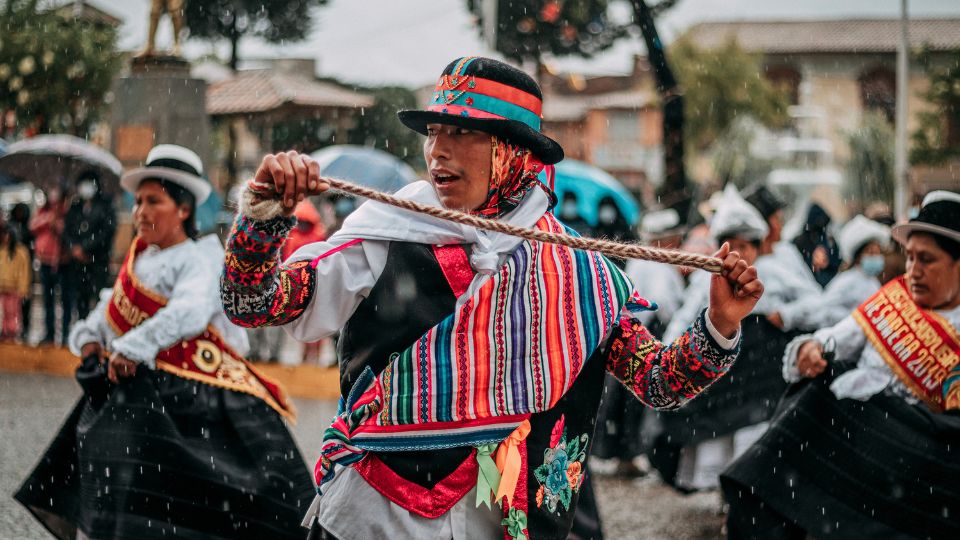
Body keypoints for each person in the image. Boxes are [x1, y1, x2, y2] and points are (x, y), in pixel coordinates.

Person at [220, 57, 763, 540]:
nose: (438, 149)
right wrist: (264, 217)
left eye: (462, 132)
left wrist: (719, 323)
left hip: (505, 521)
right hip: (376, 515)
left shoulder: (578, 272)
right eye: (434, 130)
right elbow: (253, 303)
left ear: (515, 153)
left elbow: (660, 382)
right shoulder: (387, 233)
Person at [15, 145, 314, 540]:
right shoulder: (140, 259)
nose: (141, 211)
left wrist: (133, 346)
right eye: (137, 201)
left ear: (183, 210)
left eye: (154, 201)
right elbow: (109, 308)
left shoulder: (201, 257)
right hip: (143, 391)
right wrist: (89, 339)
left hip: (197, 395)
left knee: (234, 495)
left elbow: (189, 312)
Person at [721, 190, 960, 540]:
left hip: (913, 472)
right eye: (909, 258)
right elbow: (834, 338)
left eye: (927, 260)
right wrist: (811, 350)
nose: (913, 271)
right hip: (855, 451)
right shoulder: (893, 299)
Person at [657, 185, 778, 491]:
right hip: (723, 381)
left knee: (755, 443)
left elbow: (815, 304)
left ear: (757, 248)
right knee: (719, 441)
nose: (740, 254)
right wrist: (662, 357)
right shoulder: (707, 283)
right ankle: (726, 499)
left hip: (760, 380)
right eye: (731, 246)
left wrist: (786, 315)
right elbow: (684, 319)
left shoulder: (776, 275)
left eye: (746, 246)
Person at [769, 215, 890, 332]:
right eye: (871, 252)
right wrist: (855, 318)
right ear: (858, 256)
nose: (876, 256)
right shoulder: (847, 280)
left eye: (878, 252)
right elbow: (826, 307)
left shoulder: (873, 282)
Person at [63, 170, 117, 323]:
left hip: (97, 262)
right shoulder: (75, 207)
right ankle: (83, 332)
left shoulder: (105, 206)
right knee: (81, 302)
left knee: (101, 300)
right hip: (78, 265)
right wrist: (74, 248)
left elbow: (107, 232)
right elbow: (67, 232)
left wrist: (86, 248)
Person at [30, 188, 68, 345]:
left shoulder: (66, 214)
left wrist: (57, 224)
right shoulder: (43, 212)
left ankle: (65, 334)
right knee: (48, 299)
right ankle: (49, 332)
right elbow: (32, 226)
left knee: (64, 299)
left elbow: (66, 233)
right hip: (45, 261)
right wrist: (48, 219)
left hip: (61, 262)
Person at [793, 203, 842, 287]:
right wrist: (812, 264)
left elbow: (837, 261)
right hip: (807, 286)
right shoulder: (801, 241)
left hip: (829, 285)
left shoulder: (829, 240)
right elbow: (795, 264)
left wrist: (826, 263)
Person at [0, 225, 31, 340]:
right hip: (4, 287)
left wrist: (23, 288)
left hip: (15, 288)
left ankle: (12, 332)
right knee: (5, 312)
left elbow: (24, 272)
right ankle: (5, 330)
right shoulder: (3, 251)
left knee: (13, 312)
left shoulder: (21, 252)